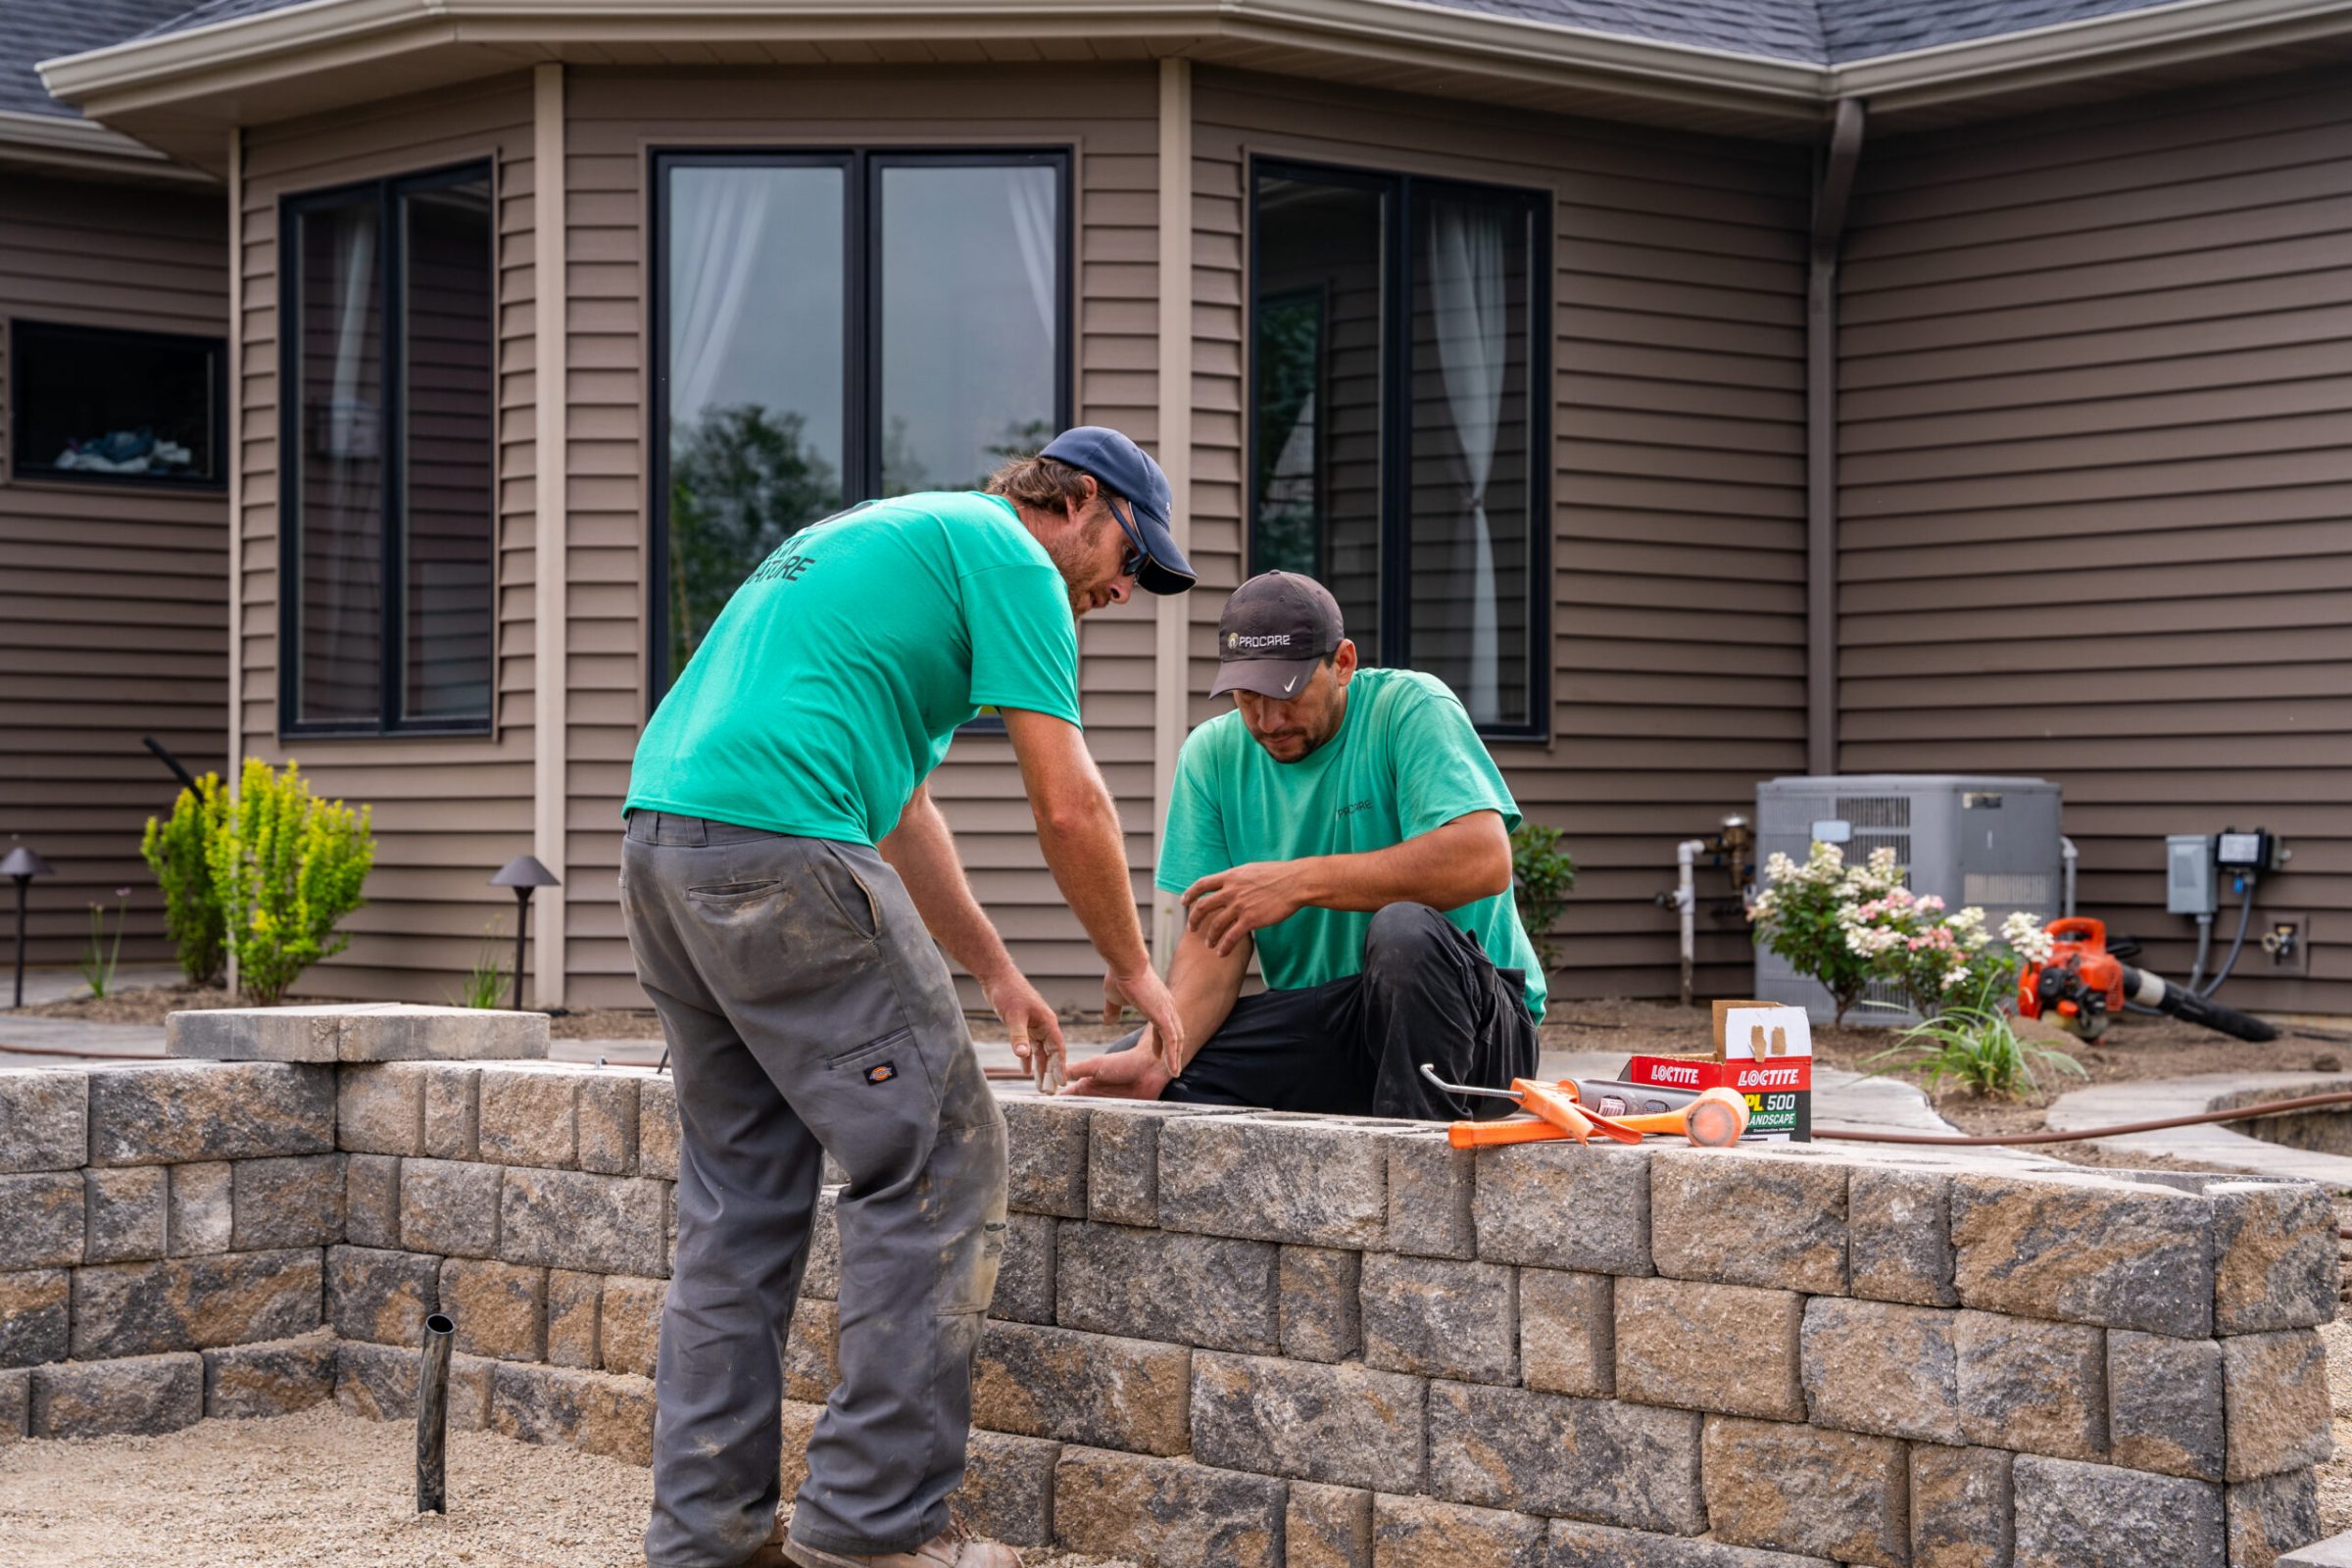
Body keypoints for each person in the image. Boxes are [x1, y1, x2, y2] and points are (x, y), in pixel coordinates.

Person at [620, 426, 1195, 1568]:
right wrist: (1136, 967)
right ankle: (875, 1533)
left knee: (740, 1205)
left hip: (666, 849)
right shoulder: (1015, 558)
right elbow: (1070, 801)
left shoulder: (892, 540)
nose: (1125, 590)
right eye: (1130, 556)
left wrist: (998, 974)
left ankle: (707, 1538)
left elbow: (903, 810)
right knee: (938, 1164)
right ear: (1076, 501)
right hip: (784, 846)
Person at [1063, 569, 1543, 1120]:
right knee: (1152, 1066)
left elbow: (1484, 859)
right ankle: (1376, 1134)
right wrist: (1156, 1060)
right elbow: (1215, 941)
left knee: (1404, 931)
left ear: (1342, 664)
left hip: (1477, 1025)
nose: (1267, 721)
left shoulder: (1410, 709)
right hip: (1337, 1022)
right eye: (1247, 698)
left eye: (1285, 695)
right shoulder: (1212, 755)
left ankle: (1416, 1173)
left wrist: (1297, 882)